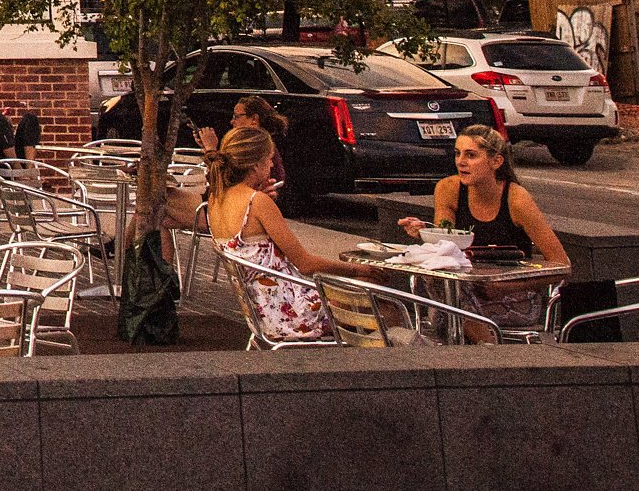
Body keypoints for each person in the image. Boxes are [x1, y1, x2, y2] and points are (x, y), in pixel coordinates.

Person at [207, 125, 378, 344]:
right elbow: (305, 264)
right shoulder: (258, 202)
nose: (272, 165)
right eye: (269, 159)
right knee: (375, 292)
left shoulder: (216, 198)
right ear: (256, 165)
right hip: (294, 314)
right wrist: (356, 269)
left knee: (364, 290)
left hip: (262, 314)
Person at [399, 124, 567, 337]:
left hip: (513, 295)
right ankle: (483, 345)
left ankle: (487, 347)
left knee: (453, 309)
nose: (461, 162)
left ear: (496, 161)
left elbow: (562, 265)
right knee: (439, 286)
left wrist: (503, 286)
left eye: (471, 155)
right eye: (457, 153)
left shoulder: (516, 199)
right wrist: (425, 231)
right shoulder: (448, 188)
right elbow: (444, 248)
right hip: (463, 291)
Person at [197, 95, 287, 158]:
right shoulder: (258, 144)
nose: (231, 121)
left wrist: (211, 149)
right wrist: (207, 148)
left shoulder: (256, 148)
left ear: (254, 119)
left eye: (236, 117)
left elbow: (223, 176)